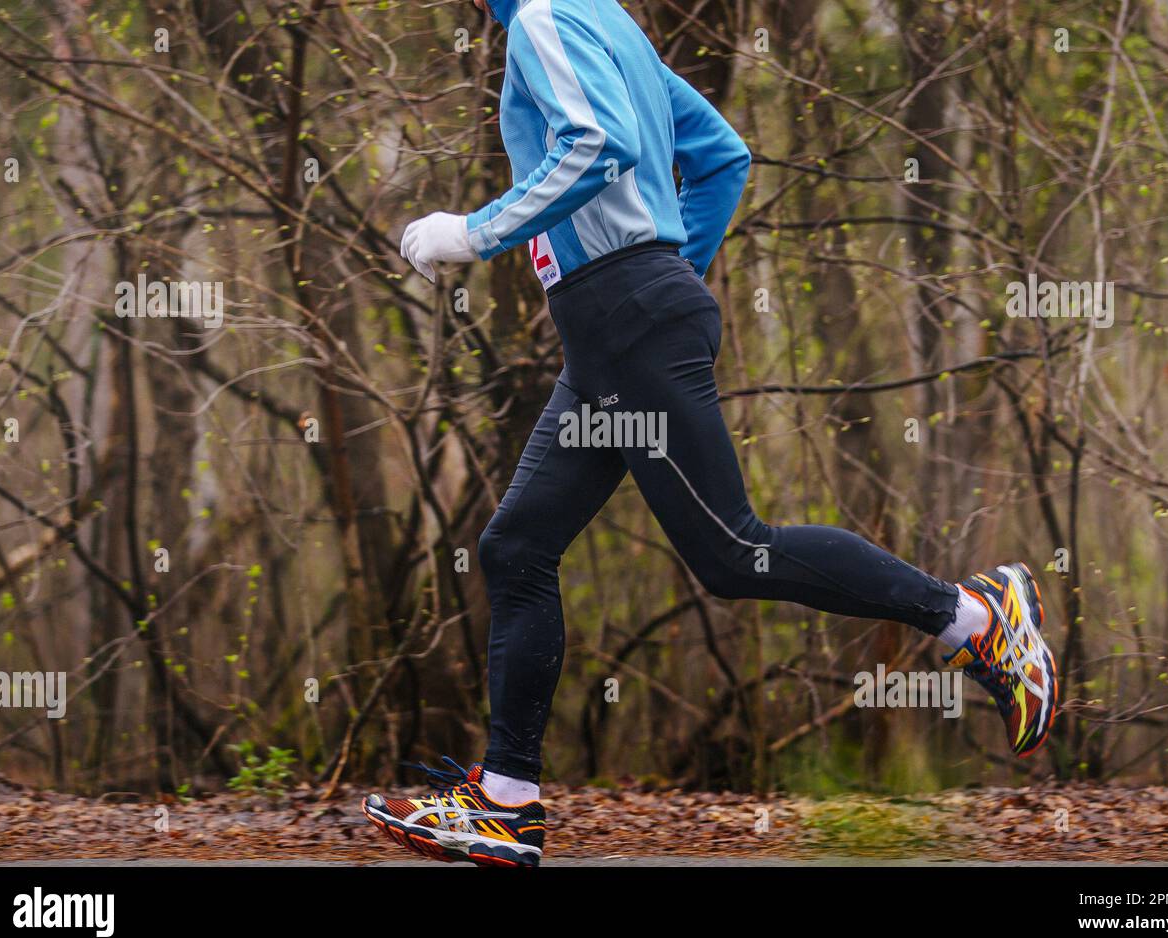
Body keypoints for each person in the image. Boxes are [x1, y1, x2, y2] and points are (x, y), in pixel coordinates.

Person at [363, 0, 1058, 867]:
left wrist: (475, 232)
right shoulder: (607, 22)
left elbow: (594, 143)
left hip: (626, 319)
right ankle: (506, 801)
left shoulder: (542, 17)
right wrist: (670, 273)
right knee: (516, 547)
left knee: (734, 551)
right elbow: (722, 155)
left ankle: (972, 615)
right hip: (617, 328)